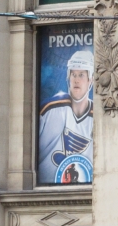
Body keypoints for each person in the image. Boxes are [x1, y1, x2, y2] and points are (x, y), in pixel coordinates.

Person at [37, 50, 95, 183]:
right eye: (73, 74)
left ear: (90, 80)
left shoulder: (97, 117)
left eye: (81, 75)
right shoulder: (50, 109)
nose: (76, 79)